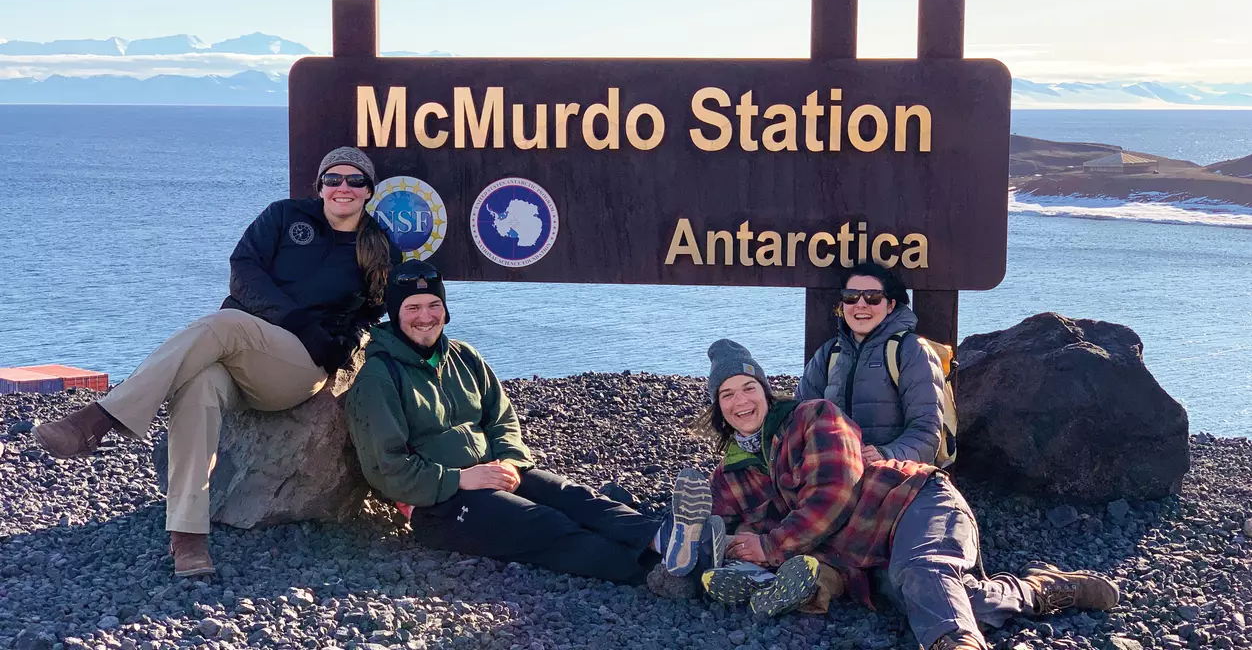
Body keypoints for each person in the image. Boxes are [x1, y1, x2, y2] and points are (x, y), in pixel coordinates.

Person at [33, 146, 400, 577]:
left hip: (298, 367)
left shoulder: (376, 245)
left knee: (223, 323)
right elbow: (243, 270)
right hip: (243, 354)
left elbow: (374, 312)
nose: (343, 188)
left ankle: (97, 419)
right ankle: (188, 536)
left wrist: (341, 344)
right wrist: (294, 317)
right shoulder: (283, 217)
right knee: (199, 385)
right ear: (319, 186)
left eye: (355, 181)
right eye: (333, 179)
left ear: (369, 190)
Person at [695, 339, 1119, 648]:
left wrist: (768, 544)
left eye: (748, 388)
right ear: (718, 407)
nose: (741, 401)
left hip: (913, 501)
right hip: (863, 555)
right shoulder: (728, 476)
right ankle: (1042, 590)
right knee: (936, 600)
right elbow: (713, 530)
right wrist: (721, 548)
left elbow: (834, 493)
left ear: (766, 392)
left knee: (925, 573)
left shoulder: (814, 417)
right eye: (727, 394)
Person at [345, 260, 691, 583]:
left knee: (575, 497)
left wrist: (510, 461)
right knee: (546, 525)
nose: (426, 316)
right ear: (396, 312)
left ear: (445, 310)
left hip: (493, 470)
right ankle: (661, 576)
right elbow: (387, 468)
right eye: (413, 308)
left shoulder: (464, 356)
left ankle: (670, 541)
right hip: (437, 506)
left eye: (433, 305)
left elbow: (501, 418)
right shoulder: (379, 378)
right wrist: (460, 479)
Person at [797, 261, 945, 464]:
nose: (861, 304)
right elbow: (797, 419)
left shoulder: (912, 350)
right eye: (851, 296)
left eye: (873, 297)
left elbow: (927, 432)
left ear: (891, 305)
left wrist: (886, 454)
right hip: (835, 472)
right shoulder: (829, 353)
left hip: (894, 475)